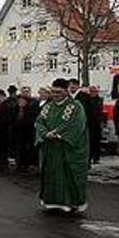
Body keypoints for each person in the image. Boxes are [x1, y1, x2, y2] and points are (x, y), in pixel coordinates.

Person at [35, 78, 88, 213]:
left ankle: (70, 203)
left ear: (66, 91)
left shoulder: (75, 106)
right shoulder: (48, 106)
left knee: (68, 175)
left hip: (66, 148)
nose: (55, 95)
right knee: (50, 174)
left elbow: (76, 124)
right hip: (51, 148)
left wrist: (57, 134)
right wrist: (45, 133)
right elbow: (39, 122)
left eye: (58, 92)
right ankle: (52, 201)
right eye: (53, 92)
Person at [88, 85, 104, 164]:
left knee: (97, 141)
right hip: (89, 123)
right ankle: (90, 156)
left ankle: (96, 157)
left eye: (94, 91)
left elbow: (100, 112)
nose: (93, 92)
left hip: (97, 123)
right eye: (91, 91)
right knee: (89, 141)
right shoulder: (87, 100)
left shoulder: (100, 100)